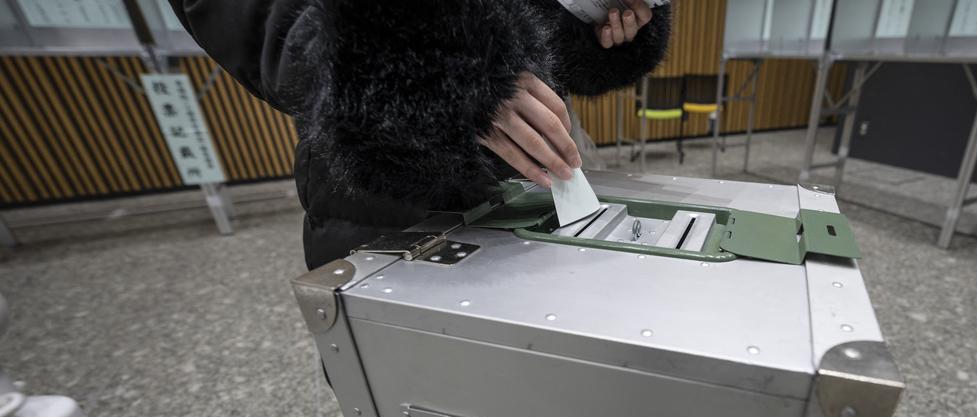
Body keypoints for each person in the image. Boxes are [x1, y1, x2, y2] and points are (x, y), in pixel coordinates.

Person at [168, 0, 673, 269]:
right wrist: (436, 65)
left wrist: (588, 17)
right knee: (424, 399)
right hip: (393, 176)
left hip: (539, 144)